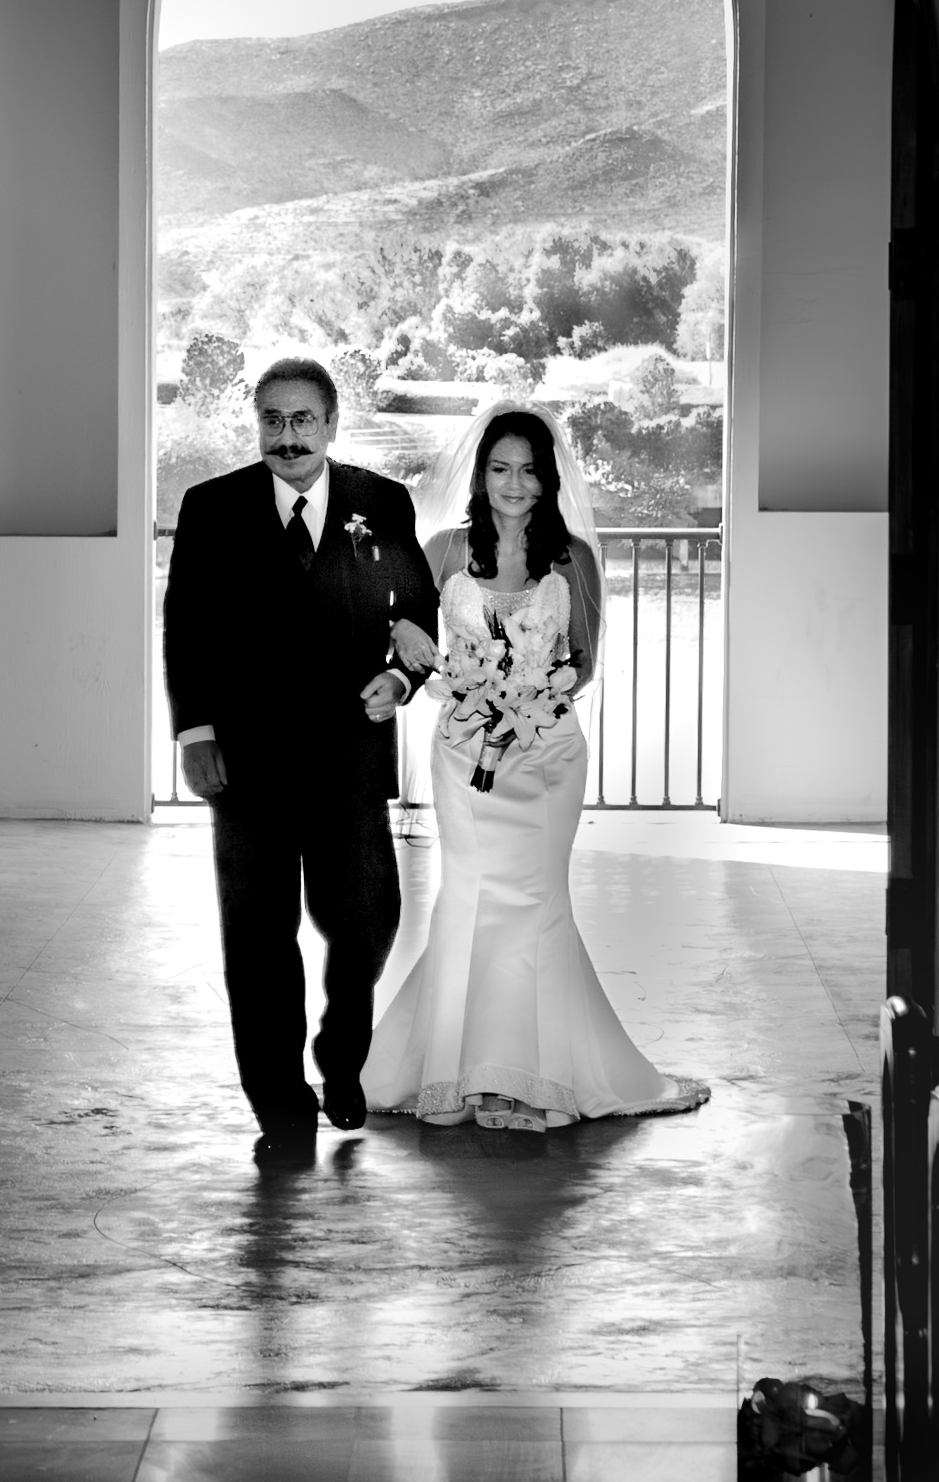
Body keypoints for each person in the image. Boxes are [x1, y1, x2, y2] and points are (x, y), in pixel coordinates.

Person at [361, 402, 709, 1133]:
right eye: (498, 469)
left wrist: (526, 698)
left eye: (527, 470)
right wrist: (410, 677)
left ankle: (530, 1077)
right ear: (480, 475)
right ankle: (458, 1072)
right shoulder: (442, 549)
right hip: (463, 751)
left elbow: (580, 661)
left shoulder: (572, 557)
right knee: (472, 896)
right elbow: (416, 650)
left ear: (547, 479)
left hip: (546, 752)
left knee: (534, 903)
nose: (512, 484)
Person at [162, 355, 440, 1147]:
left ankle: (343, 1060)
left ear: (331, 424)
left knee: (363, 923)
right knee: (256, 937)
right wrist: (195, 731)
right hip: (244, 764)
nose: (287, 438)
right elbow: (187, 626)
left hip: (349, 757)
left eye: (302, 421)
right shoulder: (211, 507)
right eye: (273, 421)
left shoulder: (378, 503)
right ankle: (277, 1096)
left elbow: (415, 605)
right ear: (257, 425)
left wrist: (399, 677)